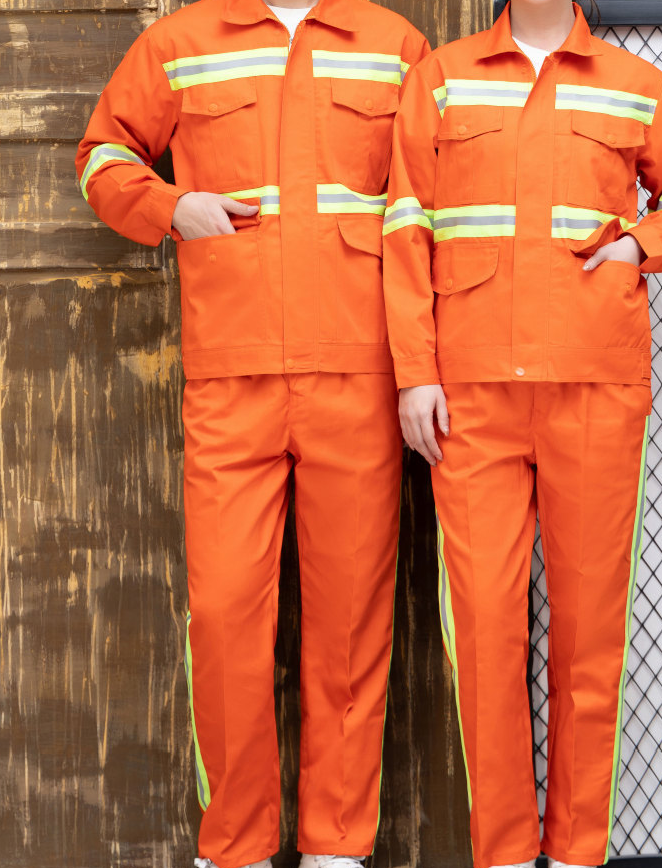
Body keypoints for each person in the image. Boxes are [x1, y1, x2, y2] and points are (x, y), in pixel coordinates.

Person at [76, 1, 428, 867]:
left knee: (352, 618)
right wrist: (170, 205)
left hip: (359, 371)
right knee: (227, 615)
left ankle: (336, 846)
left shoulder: (394, 46)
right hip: (230, 373)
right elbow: (102, 156)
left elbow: (428, 204)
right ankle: (234, 845)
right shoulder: (181, 42)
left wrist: (422, 361)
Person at [383, 1, 662, 866]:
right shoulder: (442, 78)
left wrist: (634, 246)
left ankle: (574, 852)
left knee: (589, 635)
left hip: (595, 385)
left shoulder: (636, 84)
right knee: (485, 632)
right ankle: (500, 852)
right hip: (471, 396)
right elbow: (405, 224)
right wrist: (415, 370)